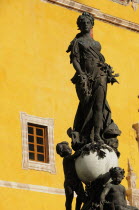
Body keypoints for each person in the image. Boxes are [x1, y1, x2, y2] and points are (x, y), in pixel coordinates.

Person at [67, 12, 121, 145]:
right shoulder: (77, 42)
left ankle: (97, 135)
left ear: (92, 25)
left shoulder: (96, 43)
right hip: (85, 75)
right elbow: (75, 60)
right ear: (79, 25)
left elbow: (100, 59)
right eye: (83, 23)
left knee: (99, 106)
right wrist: (81, 74)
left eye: (88, 22)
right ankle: (85, 135)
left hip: (100, 74)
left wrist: (107, 70)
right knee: (86, 106)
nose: (86, 24)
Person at [56, 141, 85, 210]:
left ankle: (77, 208)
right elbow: (76, 154)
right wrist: (83, 148)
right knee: (69, 199)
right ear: (62, 151)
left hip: (75, 181)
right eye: (67, 148)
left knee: (81, 196)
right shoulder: (66, 158)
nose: (69, 149)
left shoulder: (69, 158)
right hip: (70, 182)